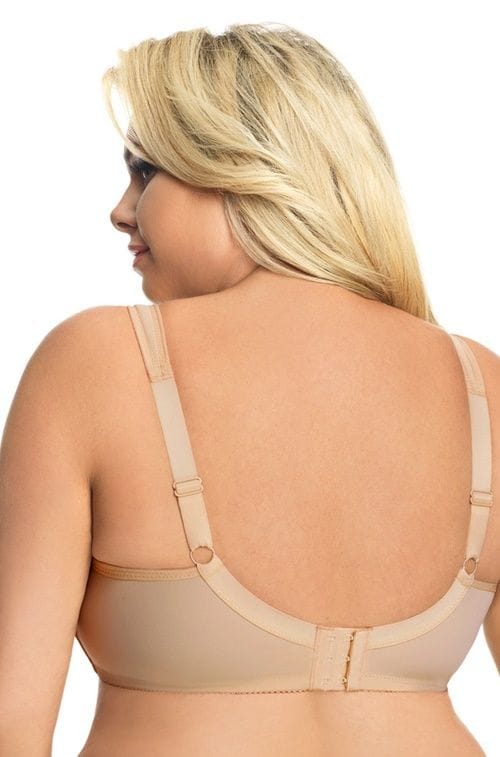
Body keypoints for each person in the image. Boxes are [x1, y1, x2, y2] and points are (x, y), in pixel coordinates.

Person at [0, 22, 498, 757]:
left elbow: (10, 723)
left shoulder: (98, 364)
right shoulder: (480, 386)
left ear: (240, 167)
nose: (121, 209)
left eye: (145, 172)